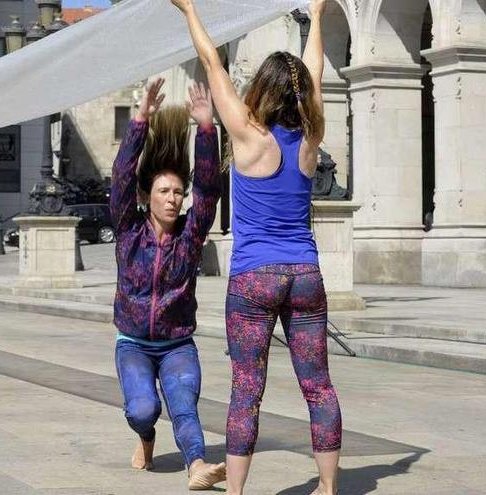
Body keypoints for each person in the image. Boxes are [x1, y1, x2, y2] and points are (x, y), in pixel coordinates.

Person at [172, 1, 341, 494]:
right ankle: (329, 490)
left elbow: (212, 63)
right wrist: (317, 12)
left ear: (262, 90)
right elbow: (314, 73)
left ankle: (237, 492)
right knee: (319, 386)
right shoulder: (311, 137)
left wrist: (188, 11)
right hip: (305, 275)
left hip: (254, 278)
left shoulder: (246, 135)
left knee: (247, 391)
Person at [111, 77, 226, 490]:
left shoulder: (190, 237)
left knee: (183, 405)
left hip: (177, 344)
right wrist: (140, 118)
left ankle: (197, 465)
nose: (173, 198)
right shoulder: (128, 229)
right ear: (149, 197)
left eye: (179, 191)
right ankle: (146, 436)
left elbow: (210, 190)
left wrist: (207, 129)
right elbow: (122, 175)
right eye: (164, 190)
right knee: (142, 409)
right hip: (134, 344)